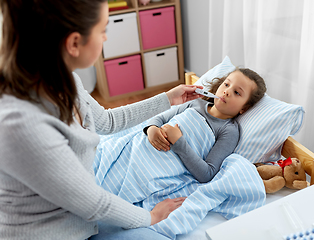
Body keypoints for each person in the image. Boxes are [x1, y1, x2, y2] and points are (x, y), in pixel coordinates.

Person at [0, 0, 203, 240]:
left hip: (81, 219)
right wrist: (151, 217)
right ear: (74, 42)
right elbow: (94, 204)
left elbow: (106, 121)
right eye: (103, 29)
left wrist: (167, 99)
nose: (105, 38)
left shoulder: (65, 80)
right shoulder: (22, 124)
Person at [145, 68, 267, 183]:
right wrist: (151, 128)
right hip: (144, 147)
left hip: (159, 168)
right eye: (226, 84)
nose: (227, 91)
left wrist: (178, 142)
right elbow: (159, 118)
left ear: (244, 109)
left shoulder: (229, 131)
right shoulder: (195, 103)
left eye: (236, 92)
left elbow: (207, 174)